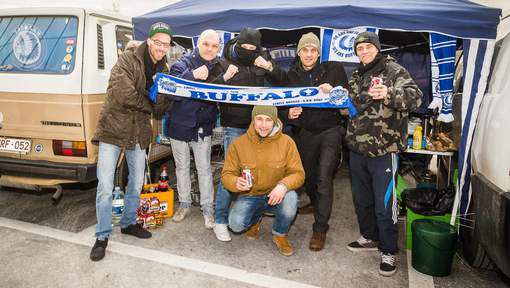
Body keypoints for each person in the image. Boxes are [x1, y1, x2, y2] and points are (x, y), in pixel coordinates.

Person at [89, 22, 172, 261]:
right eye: (157, 42)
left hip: (139, 132)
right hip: (113, 129)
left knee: (136, 183)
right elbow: (122, 93)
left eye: (165, 44)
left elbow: (161, 108)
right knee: (105, 187)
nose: (161, 48)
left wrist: (162, 93)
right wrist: (151, 99)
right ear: (149, 41)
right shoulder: (127, 59)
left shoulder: (164, 69)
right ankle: (102, 236)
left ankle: (127, 223)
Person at [345, 31, 422, 276]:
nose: (364, 51)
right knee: (362, 201)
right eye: (360, 48)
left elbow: (415, 98)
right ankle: (368, 237)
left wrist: (389, 95)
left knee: (384, 204)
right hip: (357, 150)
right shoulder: (356, 74)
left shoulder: (394, 71)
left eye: (368, 47)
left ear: (377, 48)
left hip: (384, 151)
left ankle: (388, 250)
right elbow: (352, 106)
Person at [213, 28, 285, 242]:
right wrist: (225, 77)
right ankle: (220, 220)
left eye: (253, 49)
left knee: (262, 169)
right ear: (239, 44)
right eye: (245, 48)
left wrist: (269, 68)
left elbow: (283, 81)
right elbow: (207, 89)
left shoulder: (262, 56)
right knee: (231, 173)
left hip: (259, 126)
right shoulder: (224, 59)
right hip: (233, 125)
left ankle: (254, 212)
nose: (249, 51)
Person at [279, 32, 349, 252]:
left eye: (313, 50)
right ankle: (316, 203)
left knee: (323, 178)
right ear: (299, 52)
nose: (308, 54)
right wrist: (288, 114)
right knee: (307, 176)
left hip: (330, 129)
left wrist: (335, 92)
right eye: (304, 50)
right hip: (305, 132)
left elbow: (347, 104)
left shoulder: (333, 69)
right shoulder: (291, 75)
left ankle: (320, 228)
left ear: (318, 53)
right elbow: (281, 105)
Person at [167, 30, 238, 229]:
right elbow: (171, 89)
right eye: (206, 44)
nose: (210, 49)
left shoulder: (219, 64)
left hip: (202, 126)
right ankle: (184, 204)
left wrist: (226, 77)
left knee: (204, 169)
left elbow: (215, 90)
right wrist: (192, 76)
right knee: (181, 168)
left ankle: (208, 209)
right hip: (179, 125)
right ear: (199, 43)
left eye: (214, 46)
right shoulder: (184, 62)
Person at [222, 106, 304, 256]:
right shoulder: (238, 144)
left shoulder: (287, 142)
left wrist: (283, 186)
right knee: (235, 224)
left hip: (276, 195)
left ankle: (280, 234)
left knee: (292, 199)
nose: (263, 125)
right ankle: (255, 220)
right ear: (253, 120)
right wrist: (235, 182)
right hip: (250, 195)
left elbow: (298, 173)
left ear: (275, 121)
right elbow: (227, 174)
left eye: (268, 120)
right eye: (259, 119)